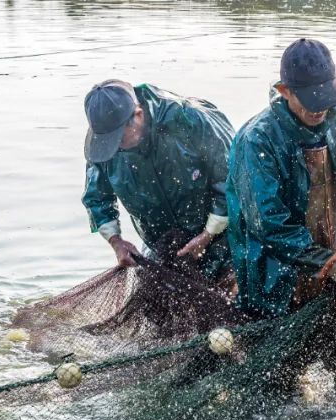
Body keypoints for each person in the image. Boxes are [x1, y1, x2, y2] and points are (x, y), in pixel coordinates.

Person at [225, 39, 336, 319]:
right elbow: (267, 224)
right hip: (281, 280)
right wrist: (329, 263)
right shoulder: (258, 140)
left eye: (325, 97)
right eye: (310, 99)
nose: (319, 109)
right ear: (284, 91)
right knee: (283, 359)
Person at [82, 80, 235, 281]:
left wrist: (207, 235)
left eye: (119, 140)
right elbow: (97, 198)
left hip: (223, 237)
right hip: (161, 246)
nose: (114, 148)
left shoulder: (190, 119)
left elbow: (233, 182)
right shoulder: (102, 145)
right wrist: (116, 242)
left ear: (138, 115)